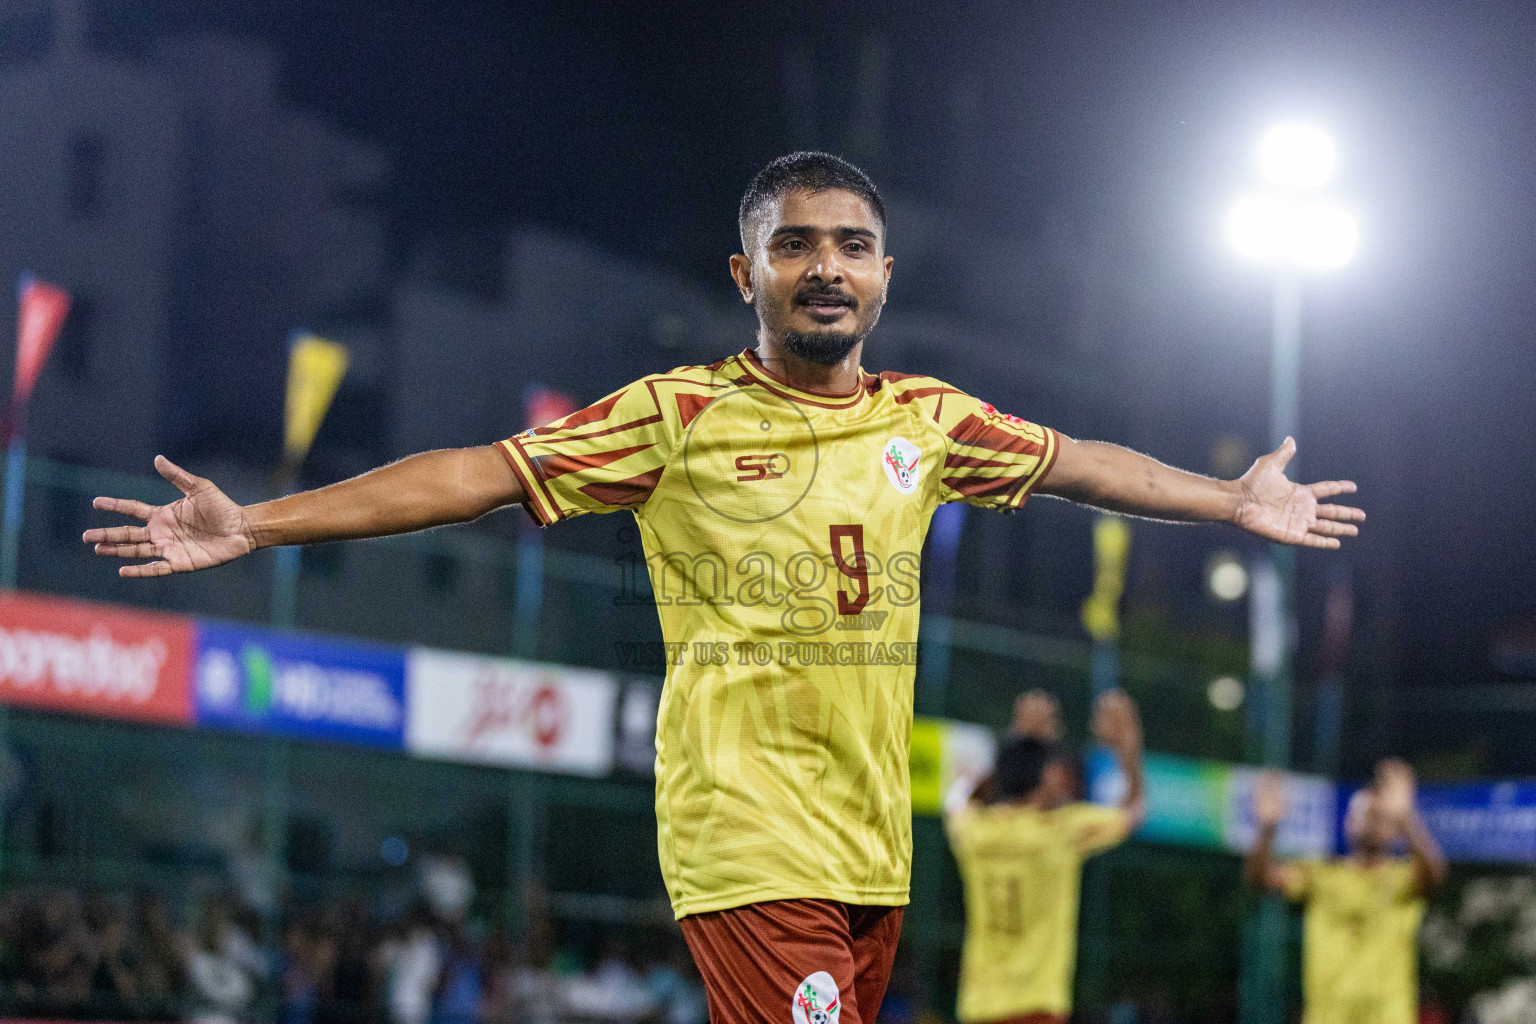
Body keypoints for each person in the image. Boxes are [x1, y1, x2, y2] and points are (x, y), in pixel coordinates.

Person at [84, 151, 1364, 1023]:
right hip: (745, 836)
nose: (826, 266)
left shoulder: (928, 417)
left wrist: (1230, 501)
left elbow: (1082, 463)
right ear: (744, 274)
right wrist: (255, 520)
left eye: (853, 246)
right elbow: (475, 473)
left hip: (873, 846)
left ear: (883, 278)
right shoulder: (677, 415)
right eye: (794, 245)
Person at [945, 689, 1145, 1024]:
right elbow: (1134, 811)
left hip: (978, 1006)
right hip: (1037, 1006)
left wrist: (1018, 739)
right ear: (1040, 783)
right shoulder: (1059, 831)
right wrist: (1129, 753)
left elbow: (957, 797)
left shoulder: (973, 831)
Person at [1245, 759, 1448, 1024]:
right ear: (1347, 821)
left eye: (1381, 816)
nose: (1372, 820)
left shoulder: (1404, 879)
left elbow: (1435, 876)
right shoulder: (1320, 875)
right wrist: (1267, 829)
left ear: (1394, 830)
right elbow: (1259, 879)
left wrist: (1407, 818)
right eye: (1365, 812)